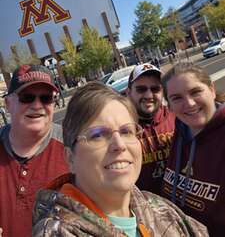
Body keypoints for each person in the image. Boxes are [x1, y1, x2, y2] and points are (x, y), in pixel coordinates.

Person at [32, 81, 208, 236]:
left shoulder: (160, 209)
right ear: (70, 158)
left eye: (126, 131)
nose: (119, 145)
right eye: (98, 135)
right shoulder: (57, 232)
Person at [0, 64, 69, 237]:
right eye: (27, 97)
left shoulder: (73, 149)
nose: (37, 105)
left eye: (46, 98)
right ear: (8, 103)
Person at [161, 62, 225, 236]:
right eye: (177, 98)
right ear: (169, 106)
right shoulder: (181, 131)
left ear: (212, 90)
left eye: (195, 92)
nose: (189, 103)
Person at [127, 63, 175, 194]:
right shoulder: (120, 128)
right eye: (141, 89)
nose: (149, 95)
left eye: (155, 89)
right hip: (145, 207)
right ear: (128, 92)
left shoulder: (178, 118)